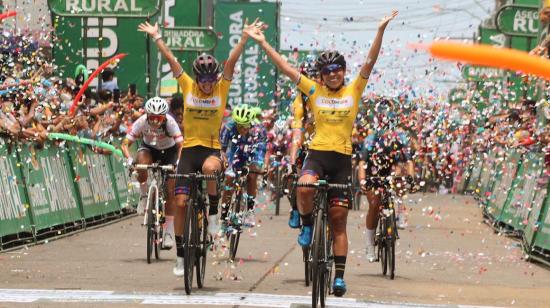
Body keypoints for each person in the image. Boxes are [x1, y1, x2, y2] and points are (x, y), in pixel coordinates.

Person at [244, 10, 398, 297]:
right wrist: (263, 44)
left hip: (341, 161)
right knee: (303, 187)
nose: (333, 74)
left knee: (338, 220)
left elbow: (370, 61)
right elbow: (286, 69)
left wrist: (380, 31)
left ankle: (339, 276)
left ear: (343, 70)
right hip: (316, 155)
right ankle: (305, 226)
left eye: (337, 69)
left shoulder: (353, 90)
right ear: (322, 75)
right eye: (327, 71)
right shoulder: (313, 90)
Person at [138, 19, 260, 277]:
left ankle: (214, 216)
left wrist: (244, 38)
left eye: (210, 79)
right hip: (189, 151)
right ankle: (181, 257)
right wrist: (157, 37)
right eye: (202, 79)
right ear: (197, 78)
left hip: (211, 150)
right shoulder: (188, 86)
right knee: (181, 202)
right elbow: (173, 62)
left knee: (209, 169)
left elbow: (231, 63)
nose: (206, 84)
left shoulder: (221, 88)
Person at [121, 97, 183, 249]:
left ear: (164, 116)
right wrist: (129, 160)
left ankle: (168, 231)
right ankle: (143, 196)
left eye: (159, 117)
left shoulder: (171, 122)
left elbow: (181, 145)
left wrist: (177, 163)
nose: (155, 121)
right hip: (150, 149)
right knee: (141, 165)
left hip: (169, 152)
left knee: (170, 190)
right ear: (147, 115)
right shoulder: (142, 121)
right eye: (152, 117)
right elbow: (124, 143)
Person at [357, 98, 414, 263]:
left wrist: (410, 179)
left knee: (400, 177)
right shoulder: (371, 139)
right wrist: (362, 181)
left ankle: (401, 211)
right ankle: (369, 245)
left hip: (391, 171)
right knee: (374, 204)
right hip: (372, 172)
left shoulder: (400, 137)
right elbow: (362, 163)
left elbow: (408, 161)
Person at [219, 104, 267, 229]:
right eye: (238, 126)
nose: (241, 129)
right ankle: (223, 215)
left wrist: (258, 165)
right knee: (229, 178)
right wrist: (224, 161)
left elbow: (261, 150)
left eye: (244, 126)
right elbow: (222, 149)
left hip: (252, 154)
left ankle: (250, 211)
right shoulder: (228, 127)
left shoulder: (259, 129)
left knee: (252, 176)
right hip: (234, 154)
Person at [288, 57, 319, 229]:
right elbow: (297, 132)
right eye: (307, 77)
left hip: (329, 145)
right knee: (296, 174)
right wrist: (292, 161)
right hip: (308, 145)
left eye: (315, 76)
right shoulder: (300, 100)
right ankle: (295, 207)